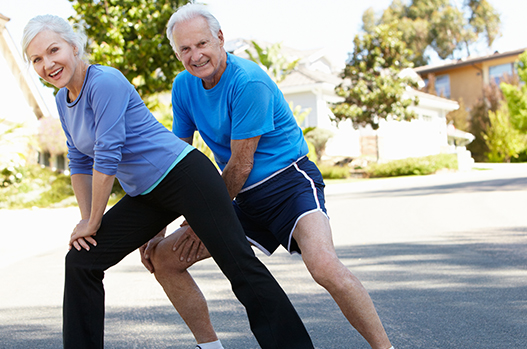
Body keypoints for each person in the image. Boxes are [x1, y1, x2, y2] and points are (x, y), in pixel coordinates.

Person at [22, 14, 314, 349]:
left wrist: (93, 221)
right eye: (36, 59)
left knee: (240, 268)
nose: (47, 64)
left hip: (186, 176)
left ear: (74, 46)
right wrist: (87, 219)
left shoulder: (105, 82)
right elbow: (79, 160)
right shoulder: (63, 100)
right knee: (82, 260)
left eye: (53, 50)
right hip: (147, 193)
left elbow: (107, 156)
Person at [140, 3, 395, 349]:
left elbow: (242, 165)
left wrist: (203, 218)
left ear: (219, 38)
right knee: (163, 259)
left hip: (289, 185)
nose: (195, 55)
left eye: (202, 44)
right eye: (185, 49)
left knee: (323, 266)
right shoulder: (183, 88)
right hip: (240, 198)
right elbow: (173, 161)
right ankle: (210, 346)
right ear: (177, 53)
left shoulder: (248, 81)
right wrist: (154, 230)